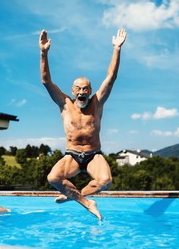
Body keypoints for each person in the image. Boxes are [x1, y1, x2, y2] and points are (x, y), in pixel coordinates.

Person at [39, 28, 127, 220]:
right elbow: (46, 81)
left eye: (85, 88)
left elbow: (111, 78)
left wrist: (117, 49)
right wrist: (44, 53)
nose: (82, 91)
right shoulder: (65, 103)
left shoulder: (97, 102)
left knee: (105, 181)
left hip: (93, 154)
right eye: (78, 88)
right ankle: (87, 203)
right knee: (53, 178)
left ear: (90, 90)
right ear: (72, 90)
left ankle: (75, 195)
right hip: (72, 155)